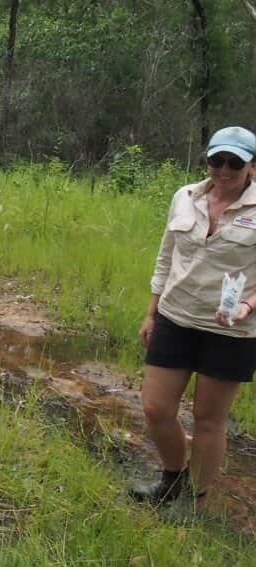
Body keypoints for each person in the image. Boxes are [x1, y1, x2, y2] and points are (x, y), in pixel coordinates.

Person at [131, 126, 256, 511]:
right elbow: (166, 257)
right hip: (175, 315)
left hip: (231, 329)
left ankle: (195, 503)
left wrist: (247, 306)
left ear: (252, 166)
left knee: (208, 419)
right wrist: (152, 312)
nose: (223, 169)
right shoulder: (184, 197)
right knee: (156, 408)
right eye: (216, 160)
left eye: (234, 162)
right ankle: (172, 477)